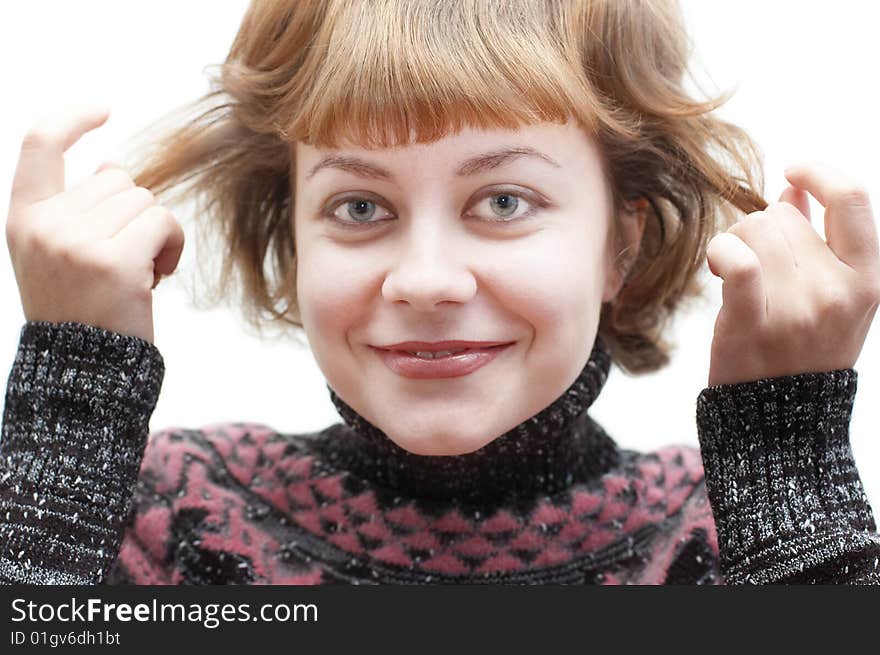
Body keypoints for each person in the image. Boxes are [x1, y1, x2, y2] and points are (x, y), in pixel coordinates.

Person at [2, 0, 879, 585]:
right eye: (359, 205)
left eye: (503, 201)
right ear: (292, 240)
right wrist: (72, 402)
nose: (425, 280)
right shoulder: (149, 510)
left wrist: (788, 453)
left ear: (622, 243)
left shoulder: (748, 534)